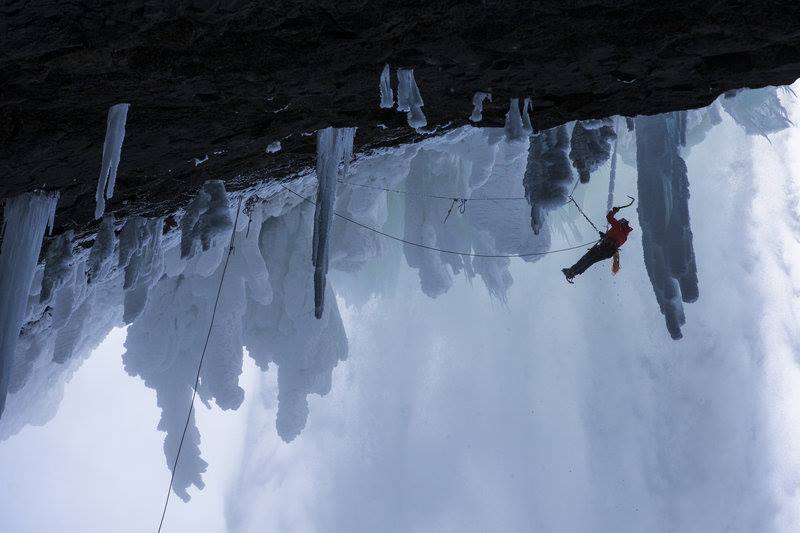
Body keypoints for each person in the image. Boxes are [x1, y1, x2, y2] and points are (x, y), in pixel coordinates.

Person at [562, 207, 632, 283]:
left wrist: (614, 211)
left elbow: (609, 217)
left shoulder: (619, 226)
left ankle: (571, 272)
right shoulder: (625, 237)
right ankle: (573, 273)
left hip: (604, 247)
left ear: (622, 223)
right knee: (591, 260)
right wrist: (605, 236)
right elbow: (615, 241)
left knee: (587, 258)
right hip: (608, 253)